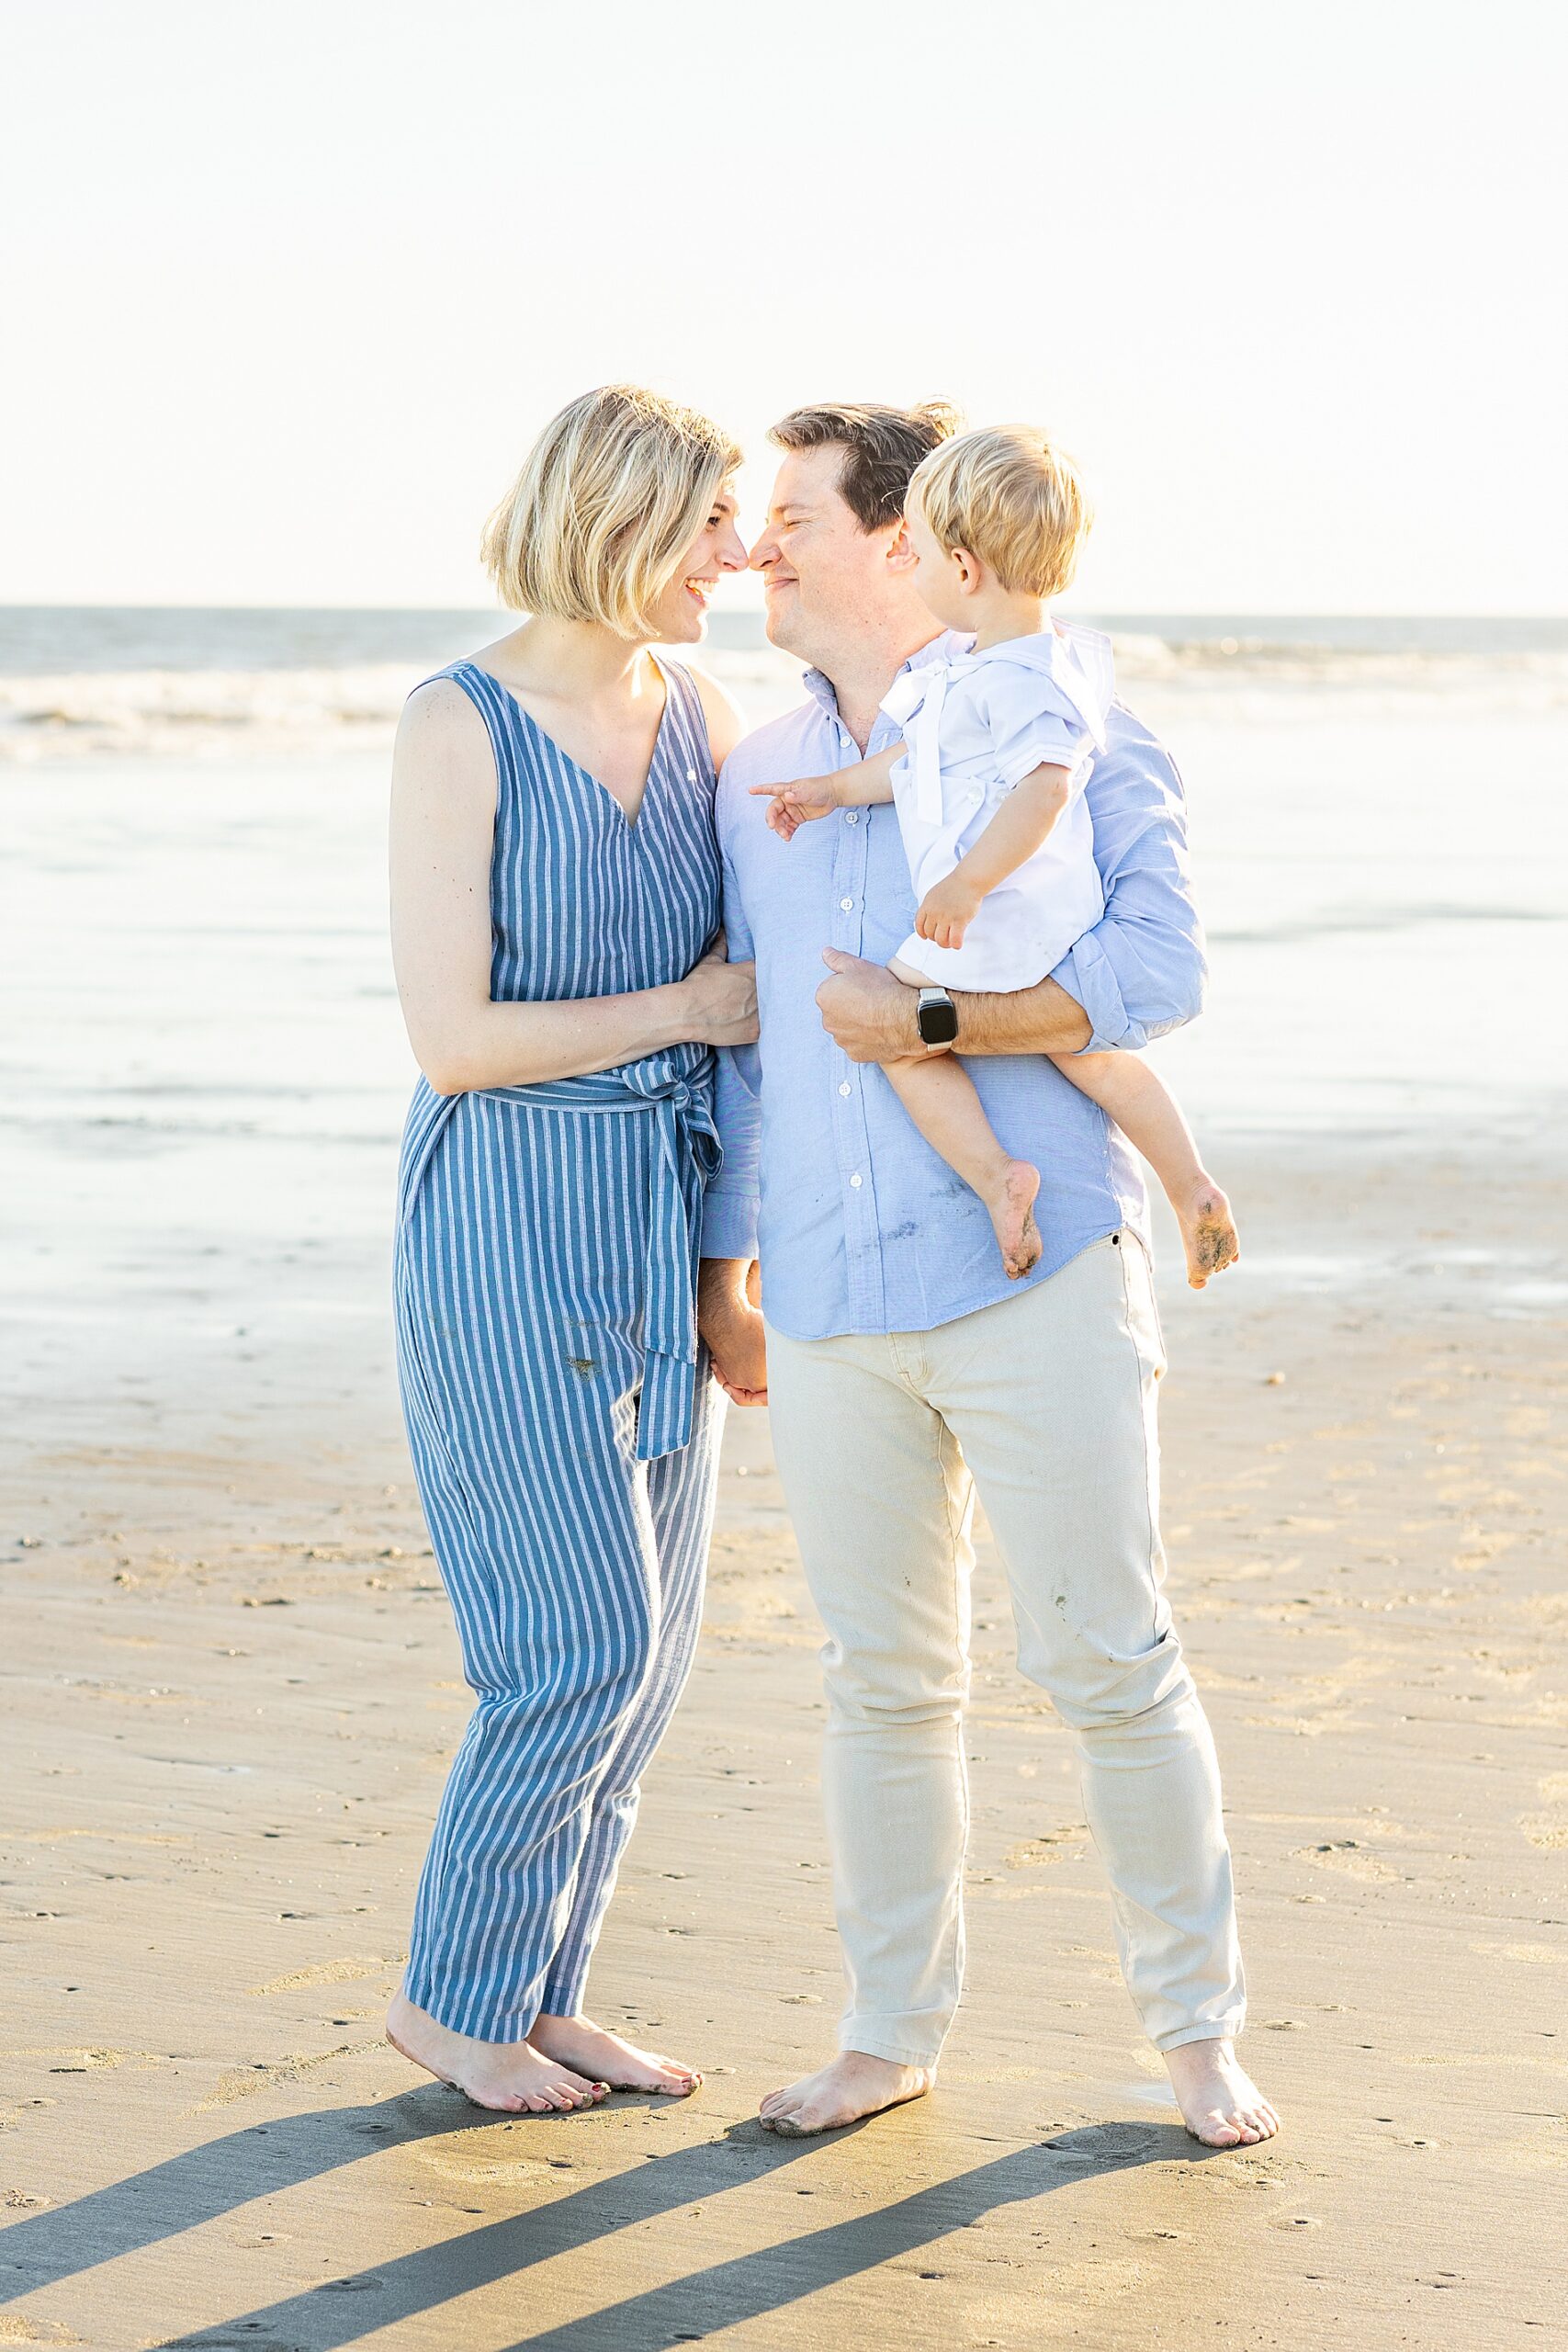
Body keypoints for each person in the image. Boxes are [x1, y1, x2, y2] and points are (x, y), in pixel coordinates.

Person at [699, 400, 1279, 2149]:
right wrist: (729, 1269)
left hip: (1035, 1277)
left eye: (793, 514)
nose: (760, 547)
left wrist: (936, 1016)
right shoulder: (745, 770)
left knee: (1108, 1656)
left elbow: (1155, 975)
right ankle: (886, 2033)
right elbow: (749, 1041)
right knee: (880, 1680)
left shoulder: (1082, 726)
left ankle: (1196, 2040)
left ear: (903, 539)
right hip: (820, 1290)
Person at [385, 384, 755, 2114]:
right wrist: (681, 1003)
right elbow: (452, 1040)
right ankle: (447, 2001)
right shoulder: (454, 724)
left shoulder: (708, 712)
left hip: (664, 1226)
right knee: (577, 1639)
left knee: (656, 1655)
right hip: (503, 1222)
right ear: (615, 523)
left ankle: (539, 1995)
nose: (732, 558)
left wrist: (731, 1273)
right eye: (704, 526)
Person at [750, 422, 1237, 1290]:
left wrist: (965, 886)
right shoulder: (996, 674)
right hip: (1045, 928)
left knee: (892, 1033)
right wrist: (828, 789)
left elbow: (1045, 788)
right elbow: (915, 765)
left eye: (925, 556)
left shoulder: (1019, 680)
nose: (917, 568)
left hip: (999, 918)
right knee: (1099, 1063)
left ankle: (993, 1176)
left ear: (963, 570)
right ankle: (1189, 1182)